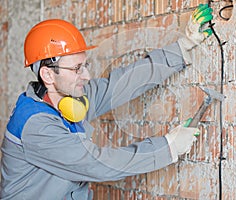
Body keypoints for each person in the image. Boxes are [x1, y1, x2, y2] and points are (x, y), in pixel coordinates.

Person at [0, 4, 213, 200]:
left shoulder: (68, 98)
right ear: (47, 75)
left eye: (85, 65)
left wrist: (183, 46)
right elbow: (98, 164)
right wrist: (168, 147)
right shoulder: (36, 125)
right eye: (77, 69)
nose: (87, 76)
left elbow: (121, 84)